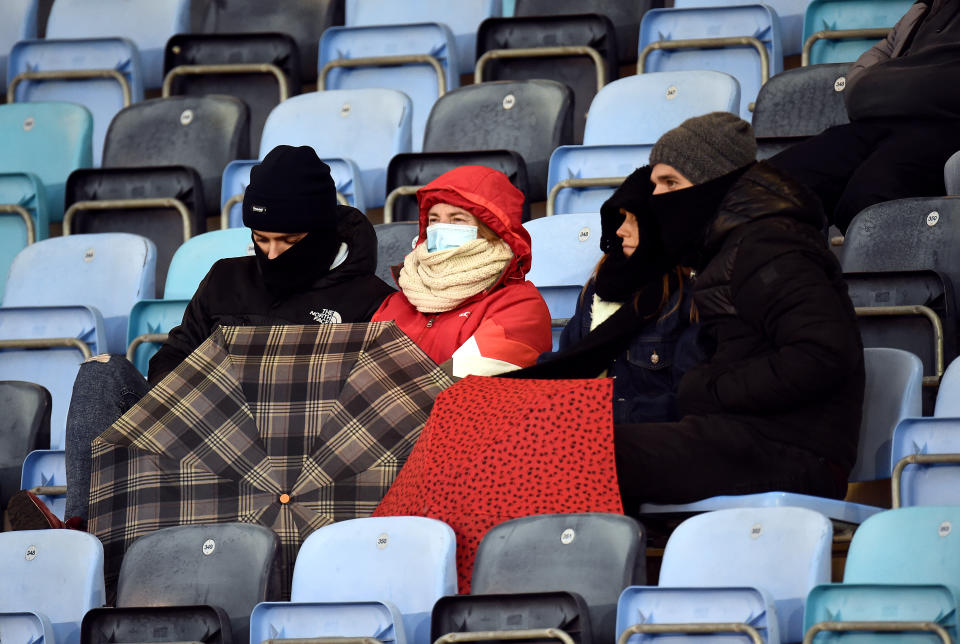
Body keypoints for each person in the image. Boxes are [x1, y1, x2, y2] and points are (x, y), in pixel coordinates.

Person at [8, 145, 395, 529]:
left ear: (322, 230)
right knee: (102, 371)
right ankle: (81, 528)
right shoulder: (226, 277)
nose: (273, 254)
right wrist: (203, 401)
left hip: (296, 459)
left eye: (289, 241)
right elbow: (172, 358)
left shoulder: (368, 300)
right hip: (203, 432)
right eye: (261, 239)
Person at [606, 113, 865, 510]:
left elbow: (823, 353)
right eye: (655, 184)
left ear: (714, 184)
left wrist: (710, 388)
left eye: (671, 182)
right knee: (583, 446)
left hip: (795, 451)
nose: (656, 198)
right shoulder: (727, 247)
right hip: (743, 436)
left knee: (595, 455)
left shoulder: (769, 246)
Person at [504, 165, 705, 424]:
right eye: (621, 219)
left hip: (642, 443)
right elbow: (567, 361)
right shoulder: (600, 287)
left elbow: (687, 402)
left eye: (635, 220)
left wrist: (600, 413)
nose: (621, 230)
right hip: (582, 431)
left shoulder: (688, 299)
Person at [770, 0, 960, 232]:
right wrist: (890, 84)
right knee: (767, 188)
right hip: (880, 122)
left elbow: (942, 85)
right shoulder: (922, 9)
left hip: (944, 131)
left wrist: (879, 84)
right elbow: (861, 80)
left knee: (868, 204)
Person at [372, 165, 552, 377]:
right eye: (434, 220)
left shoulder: (520, 306)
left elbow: (472, 386)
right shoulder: (401, 299)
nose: (441, 228)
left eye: (457, 219)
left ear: (490, 231)